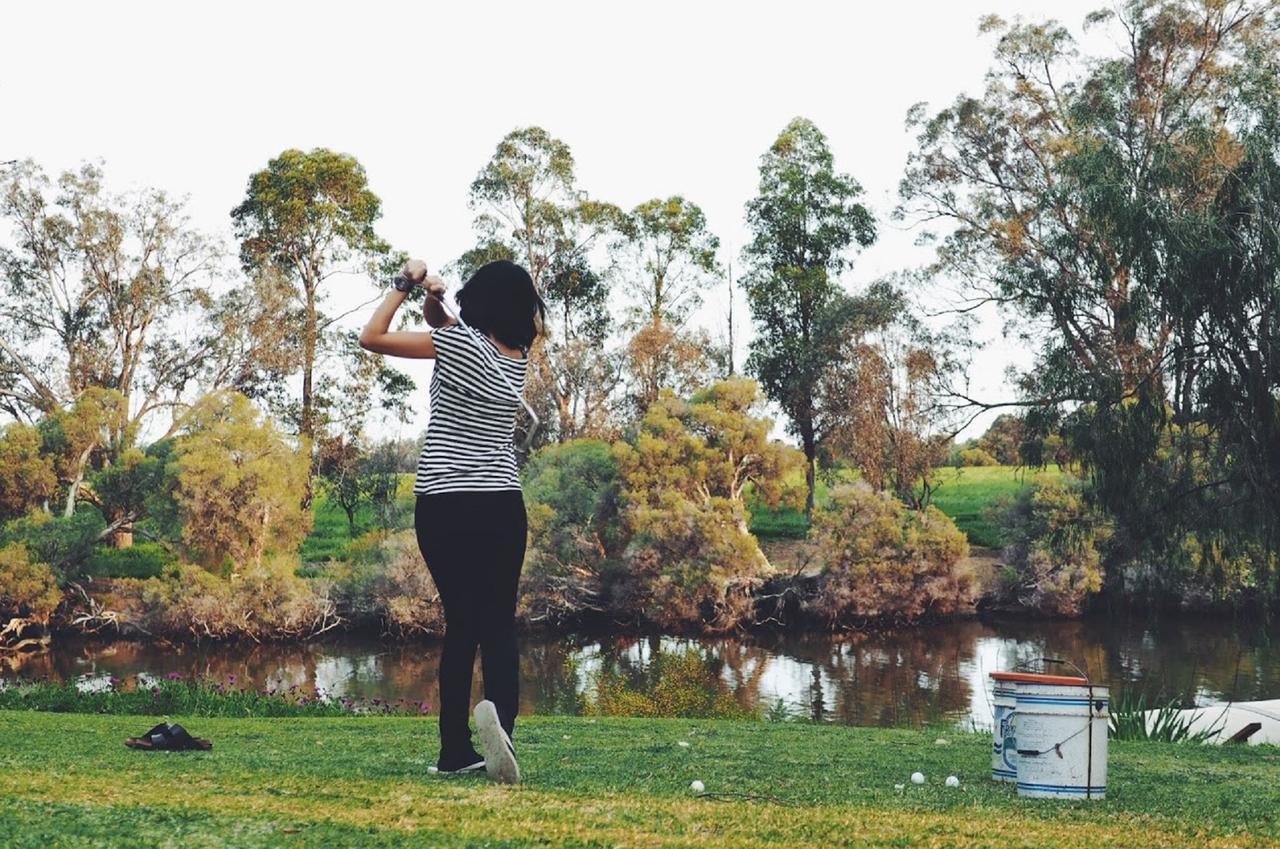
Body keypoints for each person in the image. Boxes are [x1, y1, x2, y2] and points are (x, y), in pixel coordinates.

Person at [359, 257, 546, 785]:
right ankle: (501, 735)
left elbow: (371, 338)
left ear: (480, 301)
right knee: (499, 625)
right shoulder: (517, 356)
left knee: (462, 624)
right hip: (501, 503)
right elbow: (448, 323)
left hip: (444, 502)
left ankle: (453, 752)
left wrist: (404, 281)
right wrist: (434, 297)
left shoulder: (459, 345)